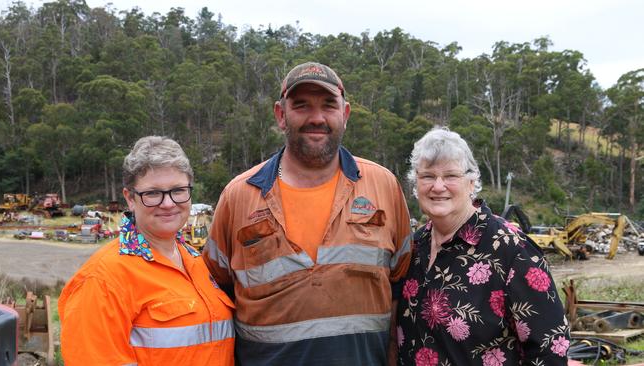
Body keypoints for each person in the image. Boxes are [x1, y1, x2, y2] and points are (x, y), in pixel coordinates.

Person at [203, 61, 412, 365]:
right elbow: (215, 291)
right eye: (301, 106)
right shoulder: (239, 196)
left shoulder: (383, 186)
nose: (317, 118)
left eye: (329, 105)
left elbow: (401, 284)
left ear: (346, 113)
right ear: (280, 115)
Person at [395, 126, 570, 365]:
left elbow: (550, 349)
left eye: (450, 176)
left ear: (471, 181)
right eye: (427, 176)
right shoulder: (413, 247)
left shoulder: (511, 249)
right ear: (415, 184)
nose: (437, 186)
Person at [59, 136, 235, 365]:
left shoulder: (196, 261)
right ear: (130, 198)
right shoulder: (103, 280)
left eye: (178, 190)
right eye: (153, 193)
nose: (168, 203)